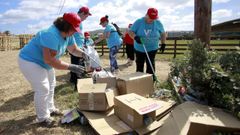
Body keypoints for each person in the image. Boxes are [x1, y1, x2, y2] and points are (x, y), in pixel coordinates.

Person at [18, 12, 85, 127]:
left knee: (51, 85)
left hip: (44, 63)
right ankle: (43, 118)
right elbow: (49, 60)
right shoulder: (50, 34)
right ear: (66, 26)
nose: (75, 31)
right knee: (43, 88)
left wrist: (85, 55)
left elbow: (73, 49)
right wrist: (71, 67)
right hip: (30, 61)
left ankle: (50, 108)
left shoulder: (68, 35)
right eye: (74, 29)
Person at [129, 8, 167, 78]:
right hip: (139, 48)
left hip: (152, 48)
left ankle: (150, 81)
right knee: (140, 65)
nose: (151, 20)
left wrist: (163, 43)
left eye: (153, 18)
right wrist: (135, 37)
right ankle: (139, 80)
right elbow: (130, 32)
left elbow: (163, 33)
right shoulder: (139, 22)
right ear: (146, 15)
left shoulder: (158, 23)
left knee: (150, 65)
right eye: (150, 18)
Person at [70, 6, 91, 86]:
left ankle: (73, 78)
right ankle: (77, 82)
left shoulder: (79, 21)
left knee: (77, 62)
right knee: (77, 63)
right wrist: (77, 46)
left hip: (79, 45)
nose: (86, 18)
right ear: (82, 13)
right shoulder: (74, 19)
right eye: (86, 16)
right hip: (75, 46)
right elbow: (71, 34)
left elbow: (79, 34)